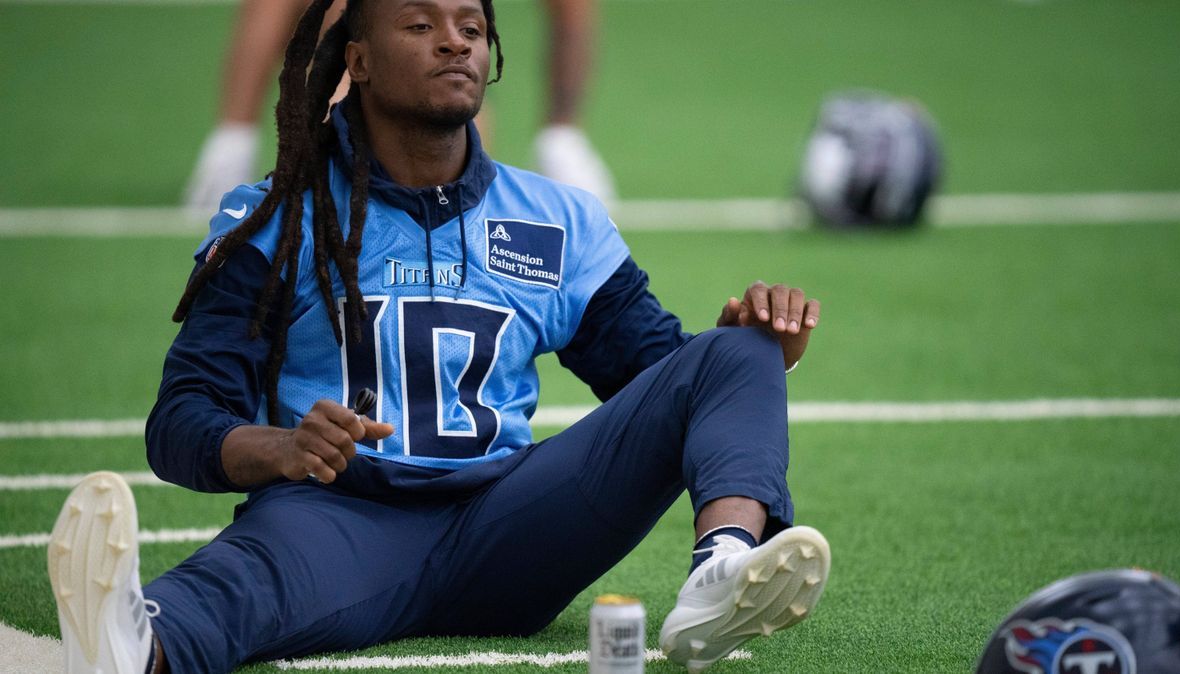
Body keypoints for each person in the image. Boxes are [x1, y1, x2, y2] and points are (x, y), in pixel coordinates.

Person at [47, 0, 829, 671]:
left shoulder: (557, 218)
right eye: (421, 24)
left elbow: (661, 379)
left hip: (514, 526)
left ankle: (720, 569)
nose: (455, 41)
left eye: (472, 26)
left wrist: (744, 361)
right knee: (236, 591)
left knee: (738, 350)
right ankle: (130, 643)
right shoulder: (277, 218)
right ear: (359, 57)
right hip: (338, 518)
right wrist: (280, 449)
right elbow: (179, 422)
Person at [183, 0, 615, 220]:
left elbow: (570, 13)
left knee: (446, 156)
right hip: (354, 63)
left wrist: (562, 134)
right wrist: (234, 132)